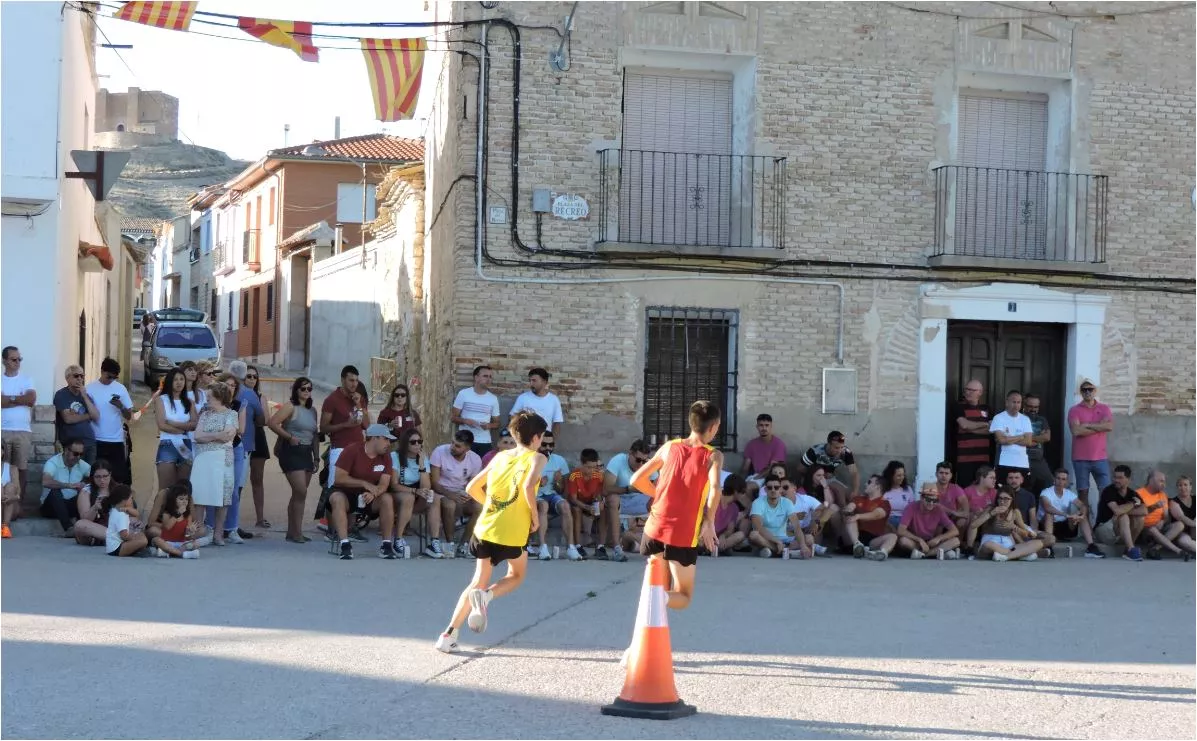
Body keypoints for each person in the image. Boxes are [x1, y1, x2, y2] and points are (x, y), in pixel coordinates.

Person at [435, 410, 548, 653]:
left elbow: (472, 487)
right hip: (512, 531)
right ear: (536, 437)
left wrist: (493, 506)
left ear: (514, 435)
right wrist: (535, 517)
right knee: (516, 575)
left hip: (485, 527)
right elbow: (529, 487)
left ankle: (448, 635)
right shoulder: (538, 458)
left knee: (476, 581)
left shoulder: (500, 456)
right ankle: (486, 597)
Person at [628, 400, 723, 608]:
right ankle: (654, 599)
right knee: (682, 596)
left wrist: (659, 495)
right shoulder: (713, 455)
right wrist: (709, 521)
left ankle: (654, 605)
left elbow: (636, 479)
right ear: (714, 427)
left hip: (654, 528)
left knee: (659, 589)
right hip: (682, 533)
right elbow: (716, 488)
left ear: (691, 423)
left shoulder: (669, 446)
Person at [326, 424, 398, 560]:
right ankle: (345, 545)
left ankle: (386, 545)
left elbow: (384, 484)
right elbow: (339, 478)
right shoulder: (351, 450)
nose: (388, 443)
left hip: (369, 496)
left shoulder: (386, 456)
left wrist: (374, 493)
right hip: (347, 494)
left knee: (387, 499)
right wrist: (364, 483)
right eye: (386, 439)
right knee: (336, 498)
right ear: (374, 438)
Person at [268, 377, 320, 544]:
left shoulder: (312, 410)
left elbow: (315, 435)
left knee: (299, 495)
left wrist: (317, 457)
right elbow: (272, 423)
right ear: (296, 390)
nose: (306, 391)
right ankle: (297, 533)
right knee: (301, 491)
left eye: (309, 389)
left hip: (306, 452)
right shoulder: (290, 406)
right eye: (303, 388)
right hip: (291, 451)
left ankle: (293, 531)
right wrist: (289, 437)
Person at [190, 381, 238, 546]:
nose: (207, 399)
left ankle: (218, 534)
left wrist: (208, 436)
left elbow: (228, 436)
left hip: (222, 458)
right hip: (203, 458)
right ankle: (199, 530)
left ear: (219, 397)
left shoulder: (231, 414)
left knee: (223, 496)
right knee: (200, 495)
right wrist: (217, 435)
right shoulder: (205, 415)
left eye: (210, 396)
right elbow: (197, 436)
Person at [390, 427, 445, 559]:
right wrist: (414, 491)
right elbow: (393, 485)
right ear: (405, 443)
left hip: (416, 495)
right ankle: (398, 539)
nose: (417, 445)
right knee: (408, 498)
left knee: (434, 497)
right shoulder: (395, 456)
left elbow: (426, 487)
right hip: (398, 494)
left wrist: (421, 466)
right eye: (413, 442)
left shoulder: (422, 458)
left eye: (419, 442)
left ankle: (434, 542)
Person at [599, 439, 656, 562]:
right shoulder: (618, 461)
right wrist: (628, 489)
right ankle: (617, 548)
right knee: (612, 499)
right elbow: (606, 489)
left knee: (664, 500)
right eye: (638, 460)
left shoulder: (648, 464)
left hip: (640, 500)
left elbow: (658, 486)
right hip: (621, 499)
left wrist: (652, 500)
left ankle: (667, 544)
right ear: (630, 454)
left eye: (644, 461)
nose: (641, 464)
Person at [430, 430, 484, 559]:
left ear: (467, 449)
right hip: (442, 491)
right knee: (450, 505)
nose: (452, 447)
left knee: (480, 507)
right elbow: (434, 483)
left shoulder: (475, 459)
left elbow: (473, 484)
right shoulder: (439, 452)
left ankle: (464, 544)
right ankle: (450, 543)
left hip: (462, 492)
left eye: (458, 446)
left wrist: (467, 494)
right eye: (452, 443)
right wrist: (451, 495)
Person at [320, 365, 370, 489]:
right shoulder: (332, 400)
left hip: (359, 449)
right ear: (342, 380)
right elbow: (323, 428)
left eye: (356, 380)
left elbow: (367, 425)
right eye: (351, 380)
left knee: (357, 488)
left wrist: (358, 405)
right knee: (335, 487)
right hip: (339, 449)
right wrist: (345, 425)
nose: (354, 384)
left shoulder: (359, 399)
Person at [86, 358, 133, 484]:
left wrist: (121, 406)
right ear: (102, 371)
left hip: (116, 440)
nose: (111, 380)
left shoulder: (121, 389)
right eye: (109, 376)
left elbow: (129, 416)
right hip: (96, 439)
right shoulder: (90, 389)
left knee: (118, 478)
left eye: (114, 377)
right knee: (97, 478)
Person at [1068, 379, 1113, 507]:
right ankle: (1085, 520)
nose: (1087, 392)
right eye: (1084, 390)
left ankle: (1101, 519)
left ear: (1095, 390)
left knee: (1105, 493)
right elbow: (1076, 431)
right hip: (1080, 458)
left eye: (1090, 389)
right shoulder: (1074, 410)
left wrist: (1087, 425)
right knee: (1083, 493)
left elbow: (1109, 426)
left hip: (1100, 457)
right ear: (1081, 392)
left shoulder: (1104, 408)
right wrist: (1099, 426)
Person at [1039, 468, 1104, 558]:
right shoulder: (1046, 492)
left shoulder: (1068, 493)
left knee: (1081, 515)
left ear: (1066, 481)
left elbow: (1082, 505)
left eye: (1063, 479)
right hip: (1046, 527)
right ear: (1054, 479)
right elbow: (1048, 507)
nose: (1060, 482)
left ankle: (1091, 547)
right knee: (1049, 514)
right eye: (1058, 478)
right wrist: (1066, 515)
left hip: (1064, 527)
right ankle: (1049, 547)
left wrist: (1082, 515)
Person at [532, 430, 577, 560]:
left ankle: (571, 547)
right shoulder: (530, 459)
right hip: (534, 497)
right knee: (543, 505)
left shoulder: (559, 460)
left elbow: (562, 490)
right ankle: (543, 547)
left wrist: (558, 482)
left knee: (565, 506)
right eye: (544, 445)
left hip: (551, 495)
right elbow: (522, 487)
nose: (548, 448)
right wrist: (537, 484)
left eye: (551, 445)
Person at [968, 487, 1044, 562]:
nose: (1002, 501)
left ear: (1012, 500)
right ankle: (1019, 555)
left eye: (1006, 499)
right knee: (988, 545)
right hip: (990, 541)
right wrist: (991, 514)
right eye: (1000, 498)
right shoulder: (991, 509)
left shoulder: (1015, 512)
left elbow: (1025, 532)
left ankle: (1005, 556)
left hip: (1007, 543)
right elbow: (973, 525)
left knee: (1038, 543)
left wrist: (1014, 527)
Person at [153, 368, 197, 493]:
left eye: (181, 379)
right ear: (169, 382)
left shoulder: (189, 402)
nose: (179, 382)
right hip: (167, 444)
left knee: (182, 490)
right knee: (165, 490)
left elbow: (194, 424)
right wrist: (182, 429)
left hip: (185, 445)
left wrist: (173, 424)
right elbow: (162, 424)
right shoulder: (161, 400)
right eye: (175, 380)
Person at [2, 345, 36, 497]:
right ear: (4, 361)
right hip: (3, 430)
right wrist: (20, 399)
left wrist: (9, 399)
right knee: (3, 467)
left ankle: (19, 503)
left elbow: (31, 399)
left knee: (21, 468)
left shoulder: (26, 379)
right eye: (13, 359)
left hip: (23, 431)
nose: (17, 362)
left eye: (19, 359)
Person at [39, 439, 91, 536]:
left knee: (86, 492)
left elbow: (97, 476)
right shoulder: (53, 462)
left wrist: (86, 485)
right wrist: (69, 485)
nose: (78, 457)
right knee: (55, 491)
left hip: (69, 506)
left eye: (81, 454)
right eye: (75, 454)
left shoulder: (81, 464)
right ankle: (69, 528)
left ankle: (86, 525)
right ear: (66, 450)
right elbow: (46, 482)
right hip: (50, 508)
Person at [1094, 464, 1146, 561]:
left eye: (1120, 478)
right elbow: (1117, 511)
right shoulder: (1108, 491)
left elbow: (1144, 510)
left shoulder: (1132, 493)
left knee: (1140, 519)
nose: (1116, 480)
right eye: (1115, 477)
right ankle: (1131, 549)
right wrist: (1133, 504)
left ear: (1128, 479)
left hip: (1119, 531)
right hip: (1104, 530)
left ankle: (1128, 548)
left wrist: (1125, 510)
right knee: (1123, 516)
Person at [896, 484, 961, 560]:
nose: (931, 503)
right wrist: (919, 540)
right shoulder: (911, 507)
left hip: (931, 542)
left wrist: (938, 538)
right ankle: (937, 553)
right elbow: (900, 530)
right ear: (921, 498)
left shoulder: (939, 509)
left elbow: (955, 531)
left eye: (935, 501)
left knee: (956, 541)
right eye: (928, 500)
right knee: (903, 541)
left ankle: (924, 555)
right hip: (916, 541)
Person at [841, 474, 897, 561]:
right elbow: (850, 506)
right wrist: (848, 510)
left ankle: (882, 553)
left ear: (878, 486)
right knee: (850, 518)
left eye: (869, 482)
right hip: (853, 536)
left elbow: (877, 514)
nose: (865, 484)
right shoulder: (858, 498)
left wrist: (858, 516)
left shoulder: (885, 503)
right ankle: (857, 545)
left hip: (872, 541)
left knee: (893, 536)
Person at [244, 365, 272, 529]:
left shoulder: (260, 397)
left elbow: (266, 420)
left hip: (257, 437)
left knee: (257, 479)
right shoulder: (237, 394)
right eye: (249, 376)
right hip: (241, 438)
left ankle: (260, 518)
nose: (252, 379)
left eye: (255, 377)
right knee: (236, 480)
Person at [451, 364, 500, 458]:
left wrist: (488, 425)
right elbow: (453, 418)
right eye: (485, 376)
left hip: (484, 441)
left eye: (490, 377)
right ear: (476, 377)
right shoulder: (463, 394)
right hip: (464, 440)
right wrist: (465, 421)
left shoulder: (493, 399)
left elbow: (497, 423)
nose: (489, 379)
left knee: (483, 466)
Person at [749, 474, 803, 558]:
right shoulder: (757, 502)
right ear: (765, 489)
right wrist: (777, 541)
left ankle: (772, 551)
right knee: (754, 535)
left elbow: (796, 526)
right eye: (770, 488)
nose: (773, 490)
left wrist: (803, 546)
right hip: (766, 538)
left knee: (809, 539)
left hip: (784, 538)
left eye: (776, 487)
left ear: (780, 489)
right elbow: (757, 527)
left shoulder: (787, 503)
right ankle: (784, 552)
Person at [54, 365, 99, 464]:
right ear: (67, 378)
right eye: (76, 376)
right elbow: (68, 419)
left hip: (89, 443)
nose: (79, 378)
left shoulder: (85, 395)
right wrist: (88, 415)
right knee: (74, 472)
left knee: (89, 472)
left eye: (82, 376)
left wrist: (84, 396)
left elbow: (96, 416)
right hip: (72, 446)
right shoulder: (61, 394)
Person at [800, 431, 859, 506]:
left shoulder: (846, 452)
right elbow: (800, 468)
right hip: (813, 477)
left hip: (830, 478)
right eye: (836, 447)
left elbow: (854, 472)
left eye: (842, 447)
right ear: (828, 444)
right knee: (839, 490)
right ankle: (843, 510)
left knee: (850, 495)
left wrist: (855, 491)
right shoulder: (814, 451)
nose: (839, 450)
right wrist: (817, 474)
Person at [951, 379, 992, 488]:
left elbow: (991, 430)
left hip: (984, 459)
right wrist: (985, 424)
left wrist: (970, 428)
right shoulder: (958, 407)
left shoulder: (987, 409)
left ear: (980, 392)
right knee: (964, 490)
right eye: (966, 389)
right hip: (964, 460)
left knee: (982, 490)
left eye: (972, 390)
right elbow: (964, 425)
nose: (968, 392)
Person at [564, 448, 605, 555]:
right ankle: (578, 545)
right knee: (577, 510)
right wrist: (587, 507)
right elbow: (573, 499)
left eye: (594, 467)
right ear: (582, 464)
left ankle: (600, 546)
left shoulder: (598, 475)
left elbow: (599, 494)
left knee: (603, 510)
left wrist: (599, 502)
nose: (591, 470)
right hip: (577, 503)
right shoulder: (574, 475)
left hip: (591, 502)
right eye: (588, 467)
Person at [1136, 470, 1183, 560]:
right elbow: (1135, 514)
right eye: (1161, 481)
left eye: (1164, 481)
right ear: (1151, 481)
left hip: (1159, 528)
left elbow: (1166, 516)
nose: (1164, 484)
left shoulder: (1162, 495)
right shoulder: (1139, 493)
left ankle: (1155, 548)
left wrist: (1162, 521)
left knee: (1180, 525)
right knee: (1152, 529)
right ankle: (1178, 551)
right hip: (1143, 530)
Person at [990, 389, 1033, 483]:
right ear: (1007, 402)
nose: (1016, 405)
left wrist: (1008, 438)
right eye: (1014, 402)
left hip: (1022, 463)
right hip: (1004, 461)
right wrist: (1020, 437)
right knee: (1003, 490)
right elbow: (1001, 440)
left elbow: (1028, 441)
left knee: (1022, 490)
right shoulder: (998, 418)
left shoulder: (1025, 419)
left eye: (1018, 402)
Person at [153, 482, 203, 558]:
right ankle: (181, 554)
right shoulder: (166, 514)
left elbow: (187, 536)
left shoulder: (188, 515)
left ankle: (170, 552)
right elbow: (168, 527)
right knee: (156, 540)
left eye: (186, 499)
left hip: (181, 544)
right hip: (168, 542)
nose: (184, 501)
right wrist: (178, 513)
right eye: (181, 499)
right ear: (173, 500)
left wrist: (191, 532)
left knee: (196, 544)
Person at [509, 367, 564, 434]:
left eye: (534, 380)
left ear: (544, 382)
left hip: (545, 438)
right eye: (530, 380)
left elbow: (557, 423)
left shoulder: (554, 400)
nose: (531, 383)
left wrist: (553, 439)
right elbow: (512, 417)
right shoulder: (523, 398)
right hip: (525, 438)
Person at [73, 460, 115, 547]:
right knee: (80, 525)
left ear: (110, 474)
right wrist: (95, 507)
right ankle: (117, 539)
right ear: (92, 477)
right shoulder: (86, 491)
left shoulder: (118, 489)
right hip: (94, 530)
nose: (102, 480)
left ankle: (113, 539)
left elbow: (130, 513)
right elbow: (85, 519)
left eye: (105, 476)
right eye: (98, 477)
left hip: (116, 526)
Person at [103, 484, 150, 558]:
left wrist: (128, 509)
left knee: (141, 535)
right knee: (143, 541)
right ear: (124, 500)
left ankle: (137, 549)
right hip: (116, 549)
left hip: (114, 547)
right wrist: (135, 539)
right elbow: (124, 536)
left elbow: (136, 514)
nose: (132, 501)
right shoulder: (120, 515)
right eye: (131, 498)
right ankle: (136, 550)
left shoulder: (116, 510)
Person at [740, 413, 786, 478]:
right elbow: (745, 468)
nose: (764, 428)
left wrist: (757, 478)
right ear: (757, 427)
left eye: (767, 425)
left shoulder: (779, 444)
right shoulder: (751, 444)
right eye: (761, 425)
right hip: (754, 476)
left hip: (772, 478)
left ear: (771, 426)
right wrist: (741, 480)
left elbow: (773, 467)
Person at [712, 474, 749, 554]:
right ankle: (717, 549)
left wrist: (722, 536)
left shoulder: (735, 508)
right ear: (735, 492)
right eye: (743, 492)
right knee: (701, 541)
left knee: (740, 535)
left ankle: (715, 549)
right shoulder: (714, 499)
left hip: (720, 539)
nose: (744, 495)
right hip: (707, 535)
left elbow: (730, 530)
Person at [1167, 476, 1195, 561]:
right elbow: (1181, 517)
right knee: (1184, 541)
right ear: (1177, 487)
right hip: (1183, 532)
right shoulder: (1173, 502)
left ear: (1190, 487)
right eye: (1180, 485)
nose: (1183, 487)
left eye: (1185, 485)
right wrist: (1195, 524)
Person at [881, 460, 917, 529]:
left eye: (903, 475)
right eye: (898, 475)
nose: (902, 478)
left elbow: (912, 507)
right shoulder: (883, 490)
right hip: (888, 521)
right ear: (891, 476)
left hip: (905, 520)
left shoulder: (908, 489)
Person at [2, 447, 21, 539]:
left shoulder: (12, 468)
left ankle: (5, 526)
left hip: (10, 506)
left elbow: (18, 494)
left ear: (3, 451)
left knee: (10, 486)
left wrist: (11, 498)